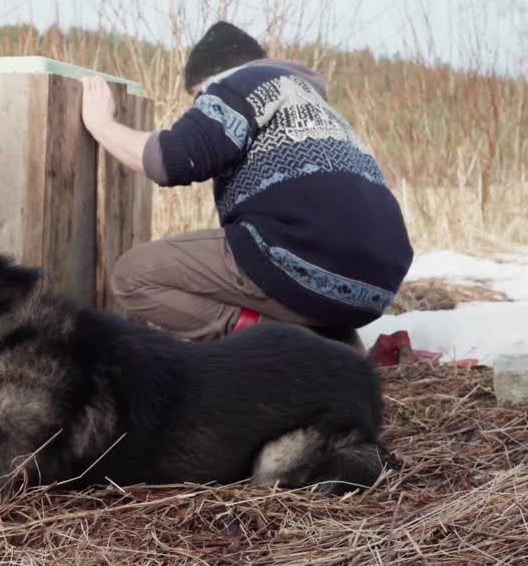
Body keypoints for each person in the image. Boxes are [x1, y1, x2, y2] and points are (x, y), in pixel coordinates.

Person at [79, 21, 413, 349]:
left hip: (303, 254)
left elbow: (175, 159)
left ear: (210, 79)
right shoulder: (317, 106)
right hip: (375, 285)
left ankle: (285, 346)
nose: (198, 108)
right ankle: (337, 349)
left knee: (134, 275)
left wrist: (102, 125)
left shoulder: (239, 83)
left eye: (197, 98)